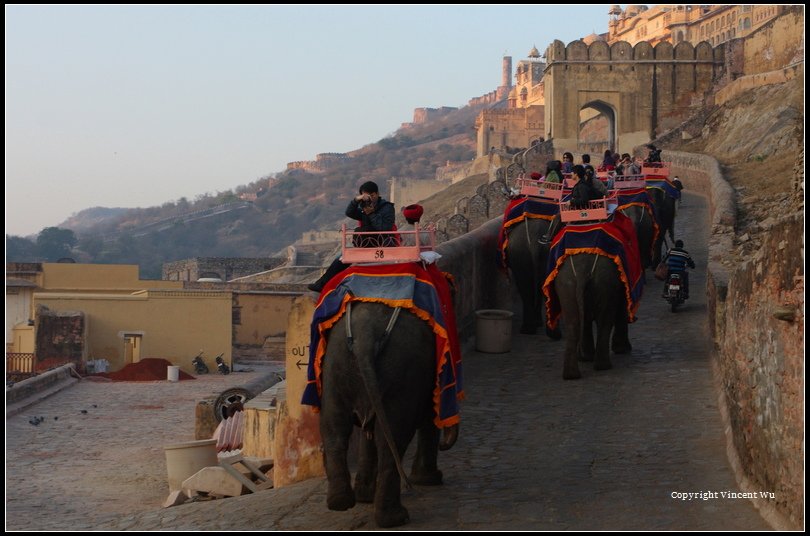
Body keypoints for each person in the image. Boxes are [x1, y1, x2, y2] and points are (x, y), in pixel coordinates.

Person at [307, 181, 395, 292]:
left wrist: (372, 214)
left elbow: (384, 228)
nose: (370, 199)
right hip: (366, 244)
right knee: (340, 259)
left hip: (382, 244)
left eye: (372, 196)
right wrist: (356, 200)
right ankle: (322, 284)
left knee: (343, 258)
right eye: (367, 196)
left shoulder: (387, 207)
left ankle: (324, 285)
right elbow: (349, 212)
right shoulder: (364, 207)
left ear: (377, 194)